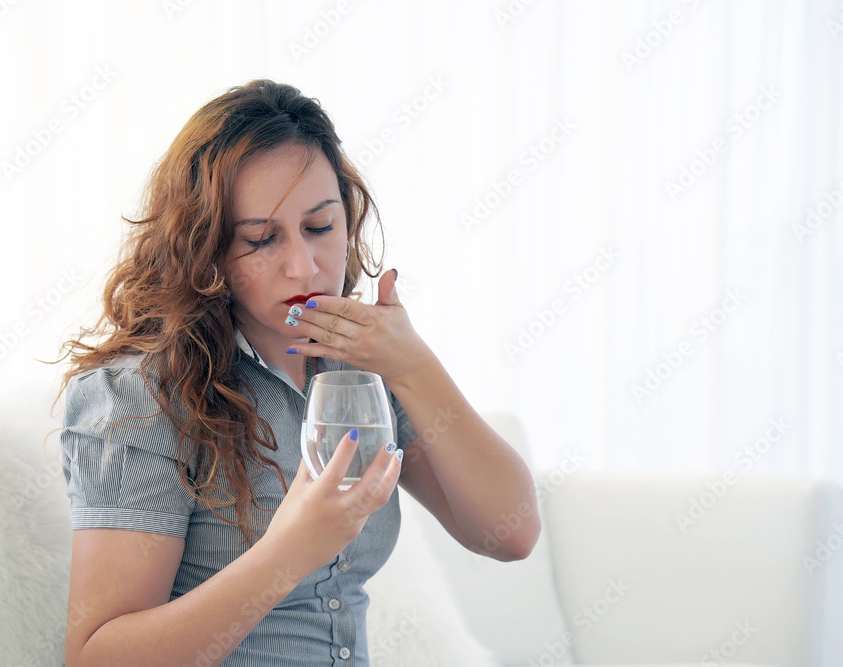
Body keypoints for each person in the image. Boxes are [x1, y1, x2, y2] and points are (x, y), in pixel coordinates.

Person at [59, 79, 539, 667]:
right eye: (261, 240)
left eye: (320, 227)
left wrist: (414, 366)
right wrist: (286, 555)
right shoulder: (139, 395)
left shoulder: (364, 370)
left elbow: (509, 533)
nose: (304, 267)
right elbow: (98, 658)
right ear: (205, 251)